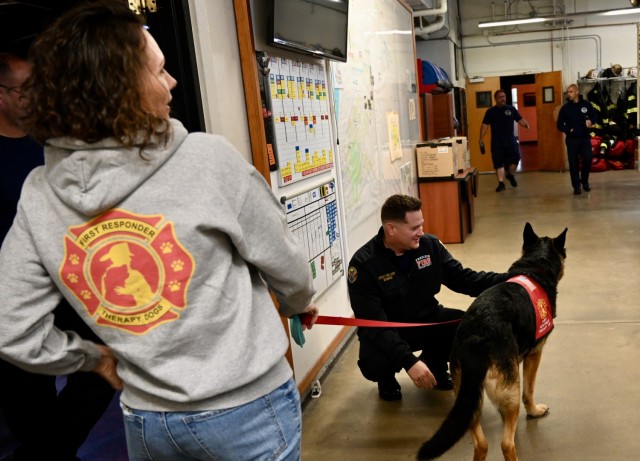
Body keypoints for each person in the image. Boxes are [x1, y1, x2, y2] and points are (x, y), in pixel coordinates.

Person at [0, 2, 318, 461]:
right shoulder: (208, 159)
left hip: (147, 420)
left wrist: (94, 358)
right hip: (246, 409)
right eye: (160, 70)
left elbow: (13, 331)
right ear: (120, 90)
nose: (172, 83)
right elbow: (286, 264)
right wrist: (297, 302)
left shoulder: (39, 192)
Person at [0, 52, 115, 461]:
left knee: (104, 362)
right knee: (27, 394)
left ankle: (49, 452)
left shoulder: (51, 145)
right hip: (16, 293)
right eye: (24, 89)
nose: (36, 97)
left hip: (69, 283)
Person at [347, 195, 508, 401]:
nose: (421, 233)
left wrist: (510, 278)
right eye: (414, 228)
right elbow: (376, 326)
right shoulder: (364, 265)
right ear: (391, 229)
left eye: (421, 226)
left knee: (469, 327)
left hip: (426, 318)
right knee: (374, 362)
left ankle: (434, 364)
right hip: (388, 329)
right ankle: (386, 378)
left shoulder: (430, 247)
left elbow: (466, 280)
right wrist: (409, 362)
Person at [479, 89, 530, 192]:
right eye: (500, 97)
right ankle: (501, 183)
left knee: (516, 158)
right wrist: (481, 138)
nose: (503, 99)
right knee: (498, 163)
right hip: (497, 142)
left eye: (504, 96)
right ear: (495, 99)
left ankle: (510, 175)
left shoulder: (511, 109)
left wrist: (526, 124)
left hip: (510, 140)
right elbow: (485, 125)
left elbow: (519, 119)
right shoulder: (490, 112)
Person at [556, 83, 597, 195]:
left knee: (588, 159)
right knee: (573, 163)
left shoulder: (586, 105)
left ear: (577, 92)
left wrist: (591, 122)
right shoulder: (565, 108)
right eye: (568, 92)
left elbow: (594, 117)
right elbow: (559, 125)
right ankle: (576, 186)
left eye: (571, 92)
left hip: (584, 138)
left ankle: (585, 181)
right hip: (572, 140)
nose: (568, 94)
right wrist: (569, 130)